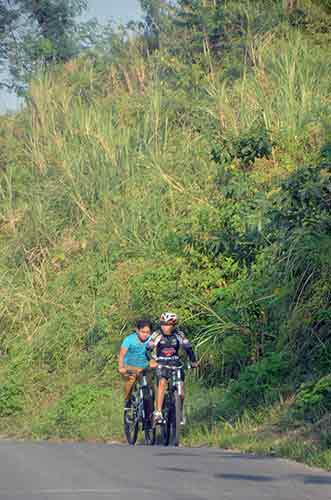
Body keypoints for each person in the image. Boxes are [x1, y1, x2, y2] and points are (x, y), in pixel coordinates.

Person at [147, 312, 198, 424]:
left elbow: (188, 348)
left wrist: (193, 361)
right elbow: (147, 349)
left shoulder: (179, 335)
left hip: (176, 363)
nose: (166, 327)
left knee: (181, 391)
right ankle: (158, 412)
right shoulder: (157, 334)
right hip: (161, 363)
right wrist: (151, 360)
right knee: (162, 382)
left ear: (174, 325)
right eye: (163, 324)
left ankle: (179, 412)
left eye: (169, 325)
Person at [118, 319, 153, 406]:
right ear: (137, 330)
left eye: (147, 332)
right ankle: (127, 401)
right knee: (131, 380)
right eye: (143, 332)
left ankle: (151, 409)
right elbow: (121, 355)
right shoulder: (129, 340)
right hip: (129, 366)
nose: (145, 334)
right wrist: (121, 367)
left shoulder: (151, 340)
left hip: (144, 367)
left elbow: (156, 353)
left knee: (150, 386)